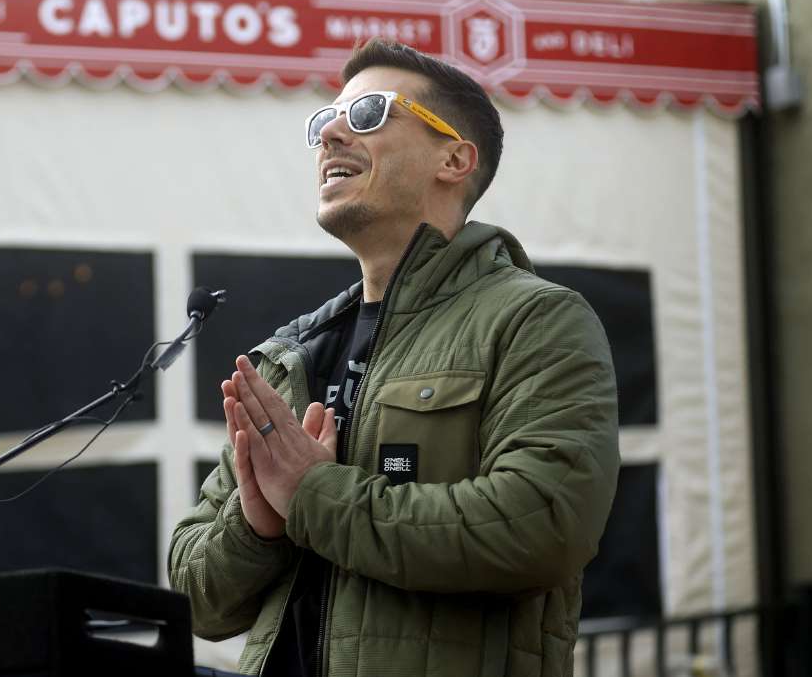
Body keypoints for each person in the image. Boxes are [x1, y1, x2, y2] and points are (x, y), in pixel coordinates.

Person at [168, 38, 620, 677]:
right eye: (324, 121)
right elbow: (192, 598)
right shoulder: (292, 354)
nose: (330, 134)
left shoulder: (536, 319)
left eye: (369, 114)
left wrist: (311, 495)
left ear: (455, 158)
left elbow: (544, 525)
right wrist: (259, 526)